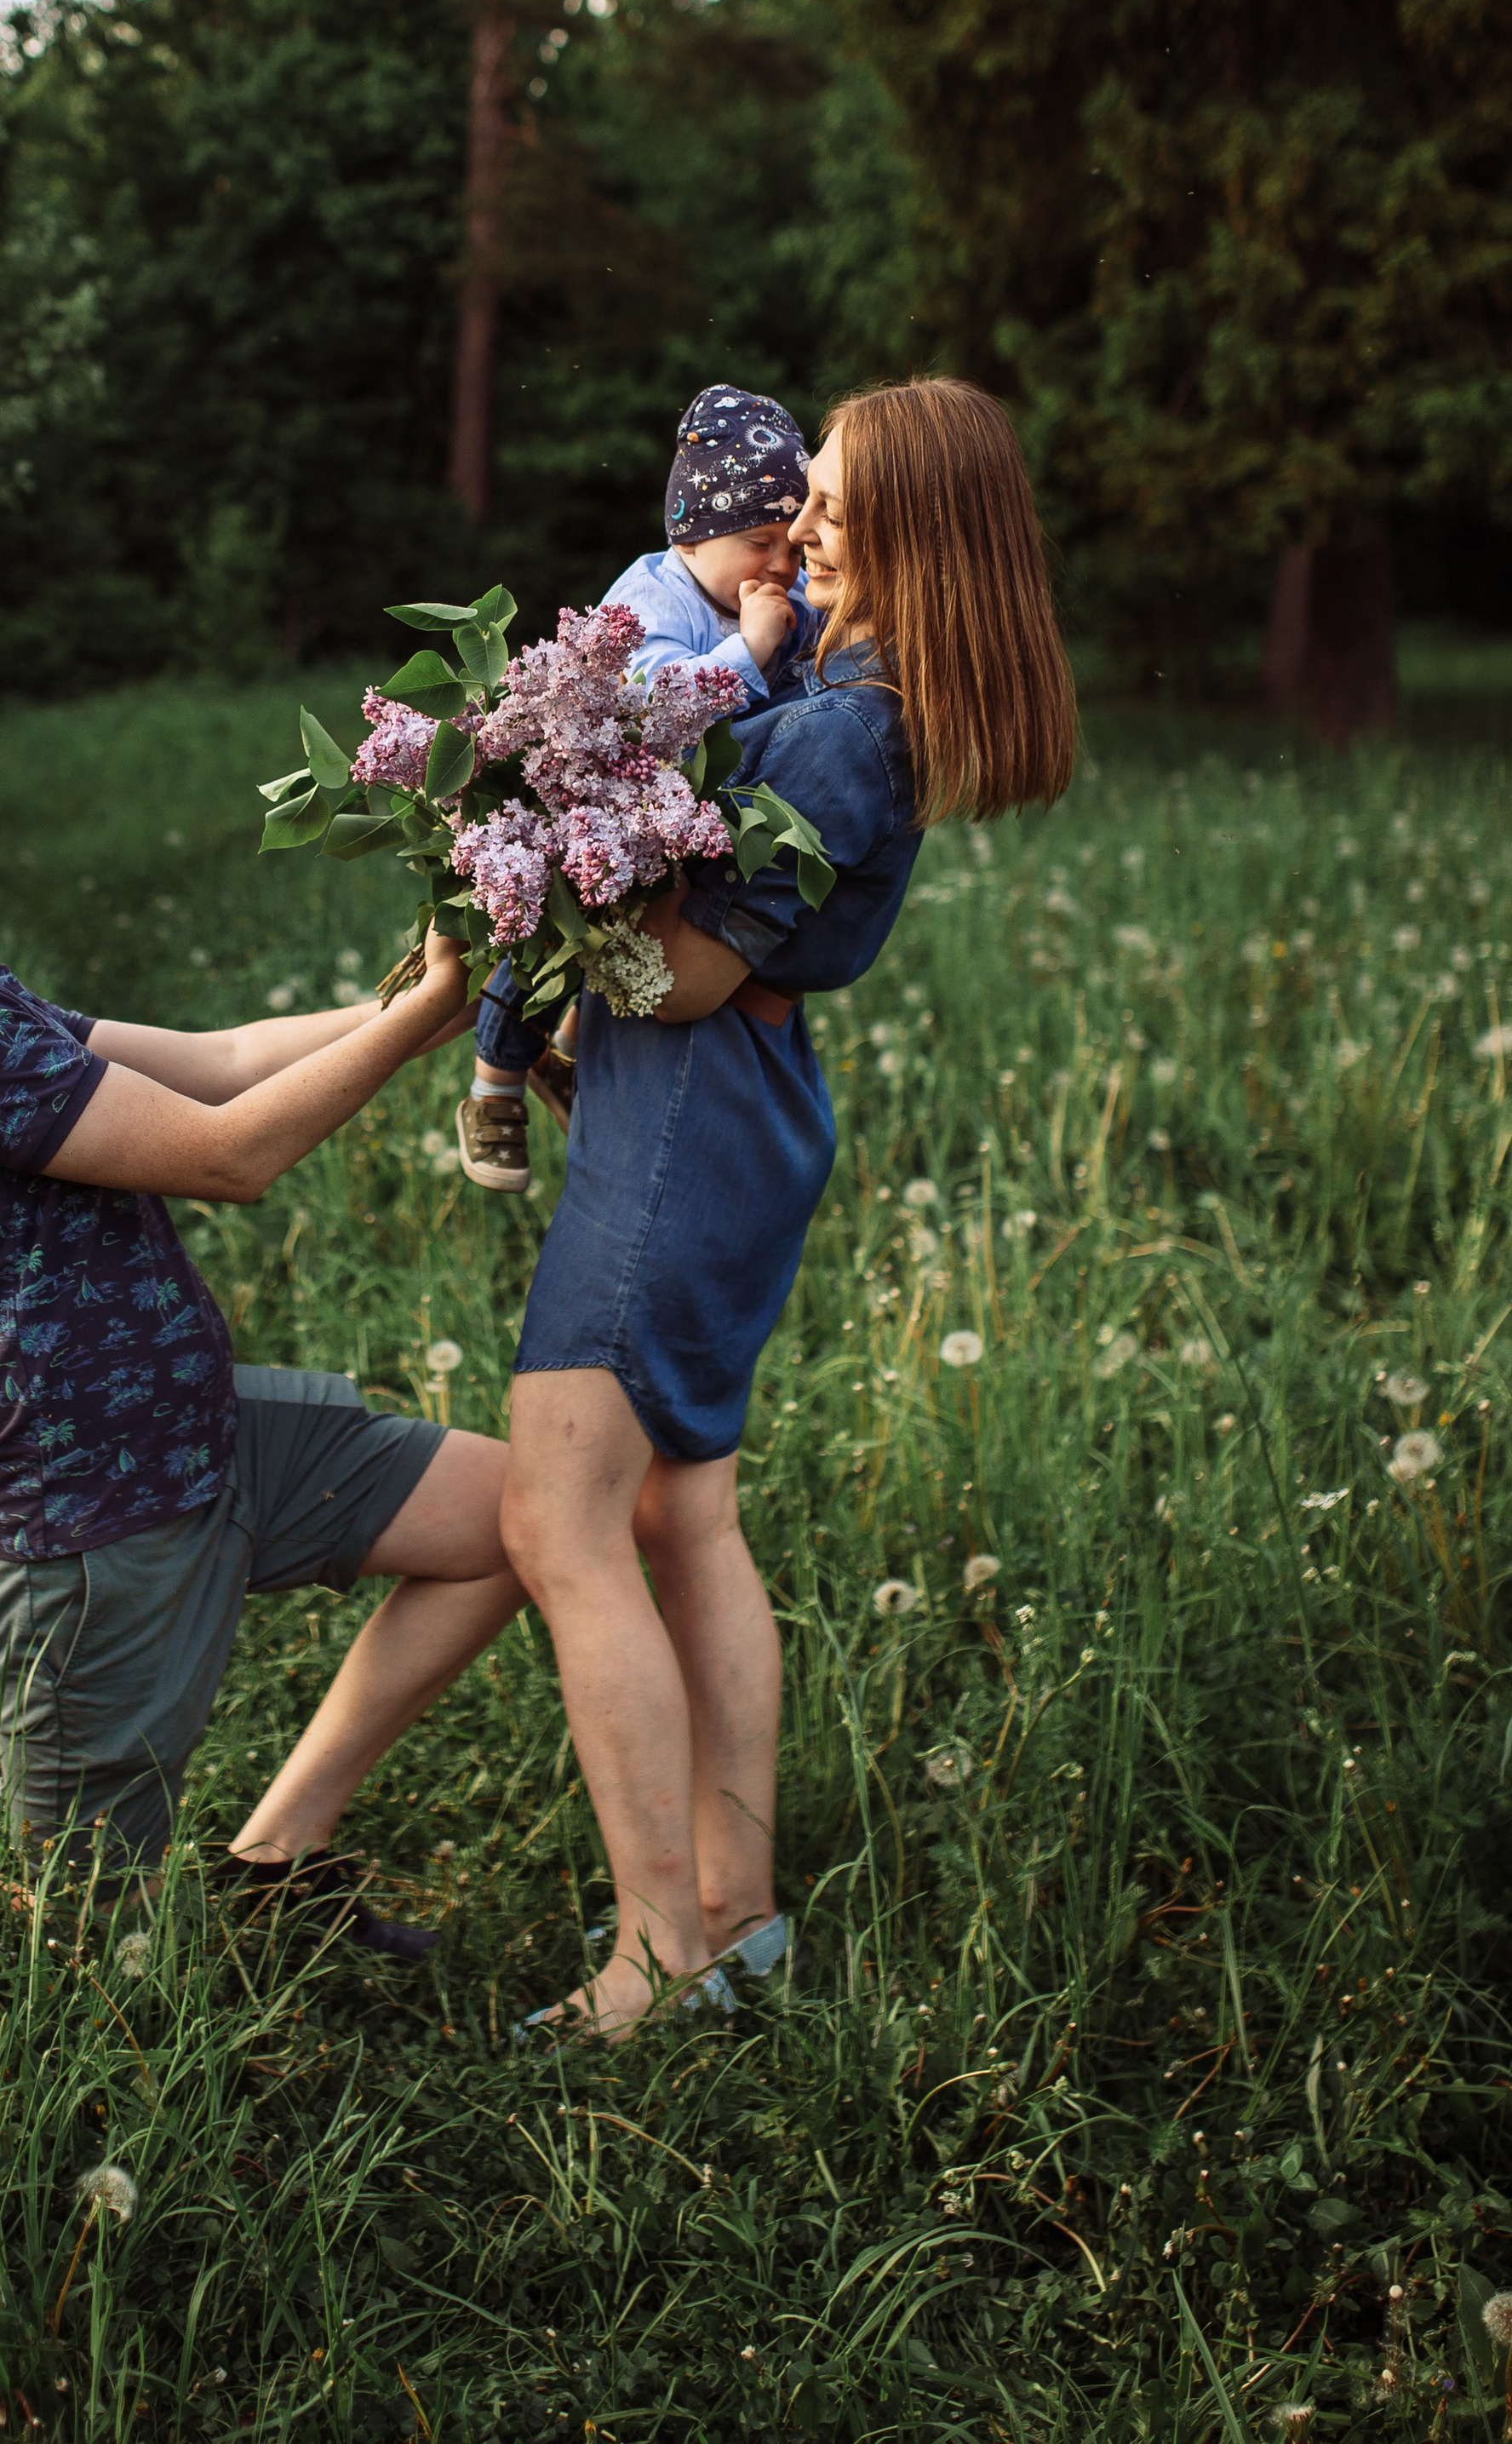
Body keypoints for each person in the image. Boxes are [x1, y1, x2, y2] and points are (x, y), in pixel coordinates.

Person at [0, 683, 523, 1955]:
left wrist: (446, 992)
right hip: (80, 1523)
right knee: (65, 1945)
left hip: (193, 1437)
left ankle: (275, 1860)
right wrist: (422, 1014)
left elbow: (229, 1059)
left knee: (523, 1520)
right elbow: (229, 1154)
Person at [500, 379, 1077, 2037]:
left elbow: (679, 982)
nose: (796, 523)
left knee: (558, 1520)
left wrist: (531, 922)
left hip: (689, 1106)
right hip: (726, 1108)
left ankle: (660, 1951)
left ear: (910, 530)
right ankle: (737, 1930)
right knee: (683, 1520)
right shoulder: (847, 689)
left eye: (826, 502)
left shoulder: (837, 730)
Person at [457, 383, 817, 1196]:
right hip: (596, 805)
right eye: (762, 542)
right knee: (550, 934)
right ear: (696, 532)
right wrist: (751, 649)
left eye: (794, 548)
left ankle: (568, 1057)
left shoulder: (771, 594)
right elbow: (658, 702)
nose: (782, 568)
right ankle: (495, 1084)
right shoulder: (657, 596)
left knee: (626, 943)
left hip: (673, 823)